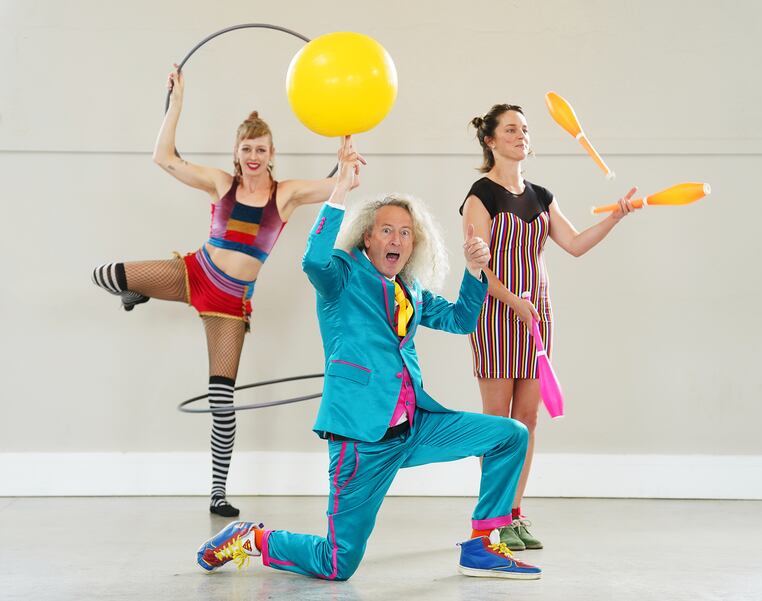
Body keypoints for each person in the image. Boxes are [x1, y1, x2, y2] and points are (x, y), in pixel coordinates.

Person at [195, 137, 541, 580]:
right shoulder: (341, 277)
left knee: (509, 435)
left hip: (417, 424)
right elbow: (312, 260)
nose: (397, 239)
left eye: (406, 233)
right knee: (337, 563)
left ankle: (482, 544)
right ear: (366, 237)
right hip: (361, 437)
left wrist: (476, 271)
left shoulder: (411, 288)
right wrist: (340, 189)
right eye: (386, 230)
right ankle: (253, 539)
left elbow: (460, 321)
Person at [91, 67, 361, 517]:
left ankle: (217, 492)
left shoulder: (285, 195)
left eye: (260, 149)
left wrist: (345, 152)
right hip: (194, 273)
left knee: (221, 398)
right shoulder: (223, 184)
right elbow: (163, 157)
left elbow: (341, 186)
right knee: (109, 274)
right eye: (246, 149)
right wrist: (177, 102)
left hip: (229, 303)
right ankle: (137, 292)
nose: (253, 156)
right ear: (235, 153)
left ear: (272, 153)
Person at [460, 104, 639, 550]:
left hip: (537, 314)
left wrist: (615, 216)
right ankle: (489, 520)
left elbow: (575, 244)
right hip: (497, 315)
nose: (521, 135)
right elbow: (477, 268)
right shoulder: (480, 195)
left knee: (528, 419)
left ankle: (514, 513)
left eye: (525, 128)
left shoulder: (542, 194)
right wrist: (513, 302)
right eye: (511, 129)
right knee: (498, 425)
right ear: (490, 140)